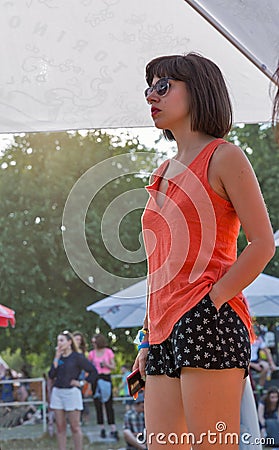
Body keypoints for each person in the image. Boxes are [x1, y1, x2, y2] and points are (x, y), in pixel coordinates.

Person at [133, 53, 275, 450]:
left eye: (164, 86)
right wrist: (146, 338)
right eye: (149, 87)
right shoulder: (160, 173)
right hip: (160, 332)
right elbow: (159, 268)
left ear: (199, 92)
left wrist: (210, 301)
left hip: (207, 319)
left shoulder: (225, 157)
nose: (151, 96)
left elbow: (262, 244)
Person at [48, 330, 97, 450]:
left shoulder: (77, 357)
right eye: (58, 340)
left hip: (72, 393)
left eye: (61, 340)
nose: (59, 343)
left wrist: (81, 383)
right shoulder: (58, 358)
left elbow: (93, 372)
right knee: (60, 426)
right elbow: (51, 375)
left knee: (75, 427)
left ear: (69, 342)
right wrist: (56, 358)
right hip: (57, 393)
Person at [88, 333, 118, 439]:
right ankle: (102, 428)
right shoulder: (91, 354)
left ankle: (113, 428)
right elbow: (89, 367)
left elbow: (114, 367)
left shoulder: (108, 352)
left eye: (95, 342)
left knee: (109, 404)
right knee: (98, 405)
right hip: (96, 379)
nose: (93, 344)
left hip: (106, 378)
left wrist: (106, 364)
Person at [250, 324, 278, 392]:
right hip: (246, 362)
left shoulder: (259, 339)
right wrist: (253, 365)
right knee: (250, 380)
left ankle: (260, 386)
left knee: (266, 366)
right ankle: (252, 385)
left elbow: (266, 351)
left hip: (255, 360)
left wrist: (272, 364)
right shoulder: (246, 338)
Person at [73, 331, 91, 425]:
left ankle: (83, 419)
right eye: (76, 339)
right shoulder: (69, 350)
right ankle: (76, 420)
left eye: (80, 340)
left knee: (82, 399)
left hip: (81, 378)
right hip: (72, 377)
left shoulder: (82, 352)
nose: (78, 341)